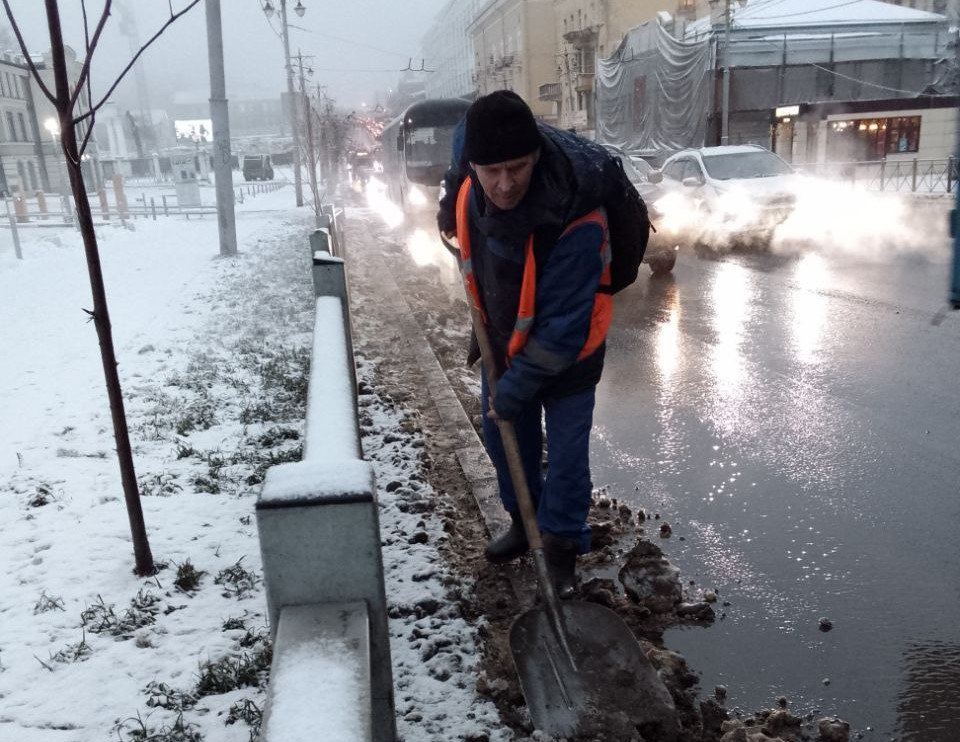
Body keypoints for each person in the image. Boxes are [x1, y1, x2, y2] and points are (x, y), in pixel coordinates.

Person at [438, 90, 613, 598]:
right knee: (504, 442)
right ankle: (524, 522)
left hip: (572, 352)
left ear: (535, 156)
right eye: (491, 170)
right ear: (473, 167)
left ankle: (560, 547)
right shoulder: (469, 190)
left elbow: (564, 325)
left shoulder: (576, 215)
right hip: (504, 341)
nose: (505, 183)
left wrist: (516, 388)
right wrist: (447, 211)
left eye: (517, 167)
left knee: (566, 456)